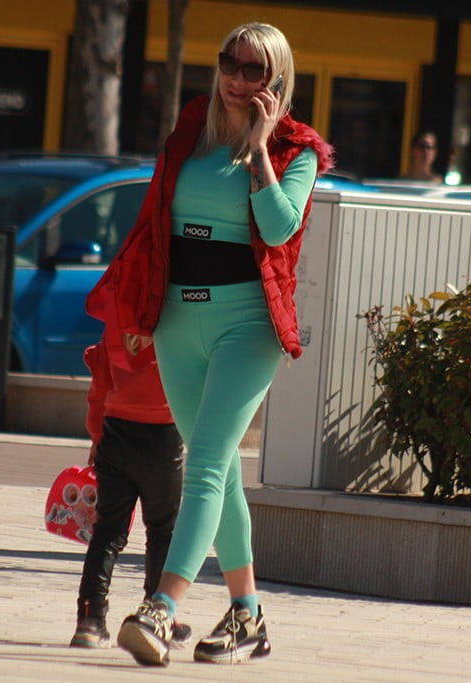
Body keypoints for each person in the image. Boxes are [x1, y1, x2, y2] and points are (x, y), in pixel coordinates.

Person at [87, 22, 334, 667]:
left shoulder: (297, 150)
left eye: (255, 70)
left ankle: (160, 609)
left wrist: (259, 151)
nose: (238, 79)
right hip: (177, 320)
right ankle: (248, 615)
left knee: (200, 465)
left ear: (277, 82)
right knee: (218, 471)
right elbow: (153, 222)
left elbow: (279, 229)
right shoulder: (192, 128)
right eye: (230, 63)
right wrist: (140, 307)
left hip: (246, 325)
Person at [70, 284, 188, 649]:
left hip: (116, 433)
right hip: (163, 436)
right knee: (163, 531)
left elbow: (100, 386)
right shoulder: (179, 316)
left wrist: (96, 436)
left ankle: (90, 620)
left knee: (107, 533)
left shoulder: (118, 319)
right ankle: (156, 615)